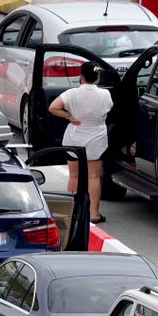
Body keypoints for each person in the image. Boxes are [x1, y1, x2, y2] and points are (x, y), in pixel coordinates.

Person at [47, 61, 112, 224]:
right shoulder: (105, 94)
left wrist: (69, 116)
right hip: (96, 138)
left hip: (75, 137)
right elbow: (109, 109)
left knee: (74, 176)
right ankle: (94, 213)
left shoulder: (71, 94)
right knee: (94, 176)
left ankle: (72, 211)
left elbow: (53, 107)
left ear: (81, 76)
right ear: (97, 77)